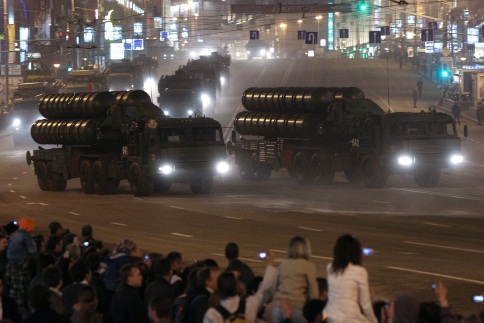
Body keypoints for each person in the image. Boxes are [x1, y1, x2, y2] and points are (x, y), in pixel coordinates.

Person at [203, 251, 277, 323]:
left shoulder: (213, 314)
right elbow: (265, 286)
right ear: (237, 287)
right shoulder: (250, 303)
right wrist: (270, 263)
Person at [323, 234, 378, 323]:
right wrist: (374, 320)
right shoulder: (359, 271)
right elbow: (365, 304)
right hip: (350, 317)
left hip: (329, 315)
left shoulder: (330, 267)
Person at [272, 236, 319, 323]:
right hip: (298, 307)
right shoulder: (309, 266)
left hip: (279, 307)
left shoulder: (283, 265)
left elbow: (275, 287)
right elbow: (313, 292)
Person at [5, 217, 37, 319]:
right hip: (25, 299)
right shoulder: (27, 264)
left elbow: (7, 281)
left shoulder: (11, 262)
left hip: (14, 297)